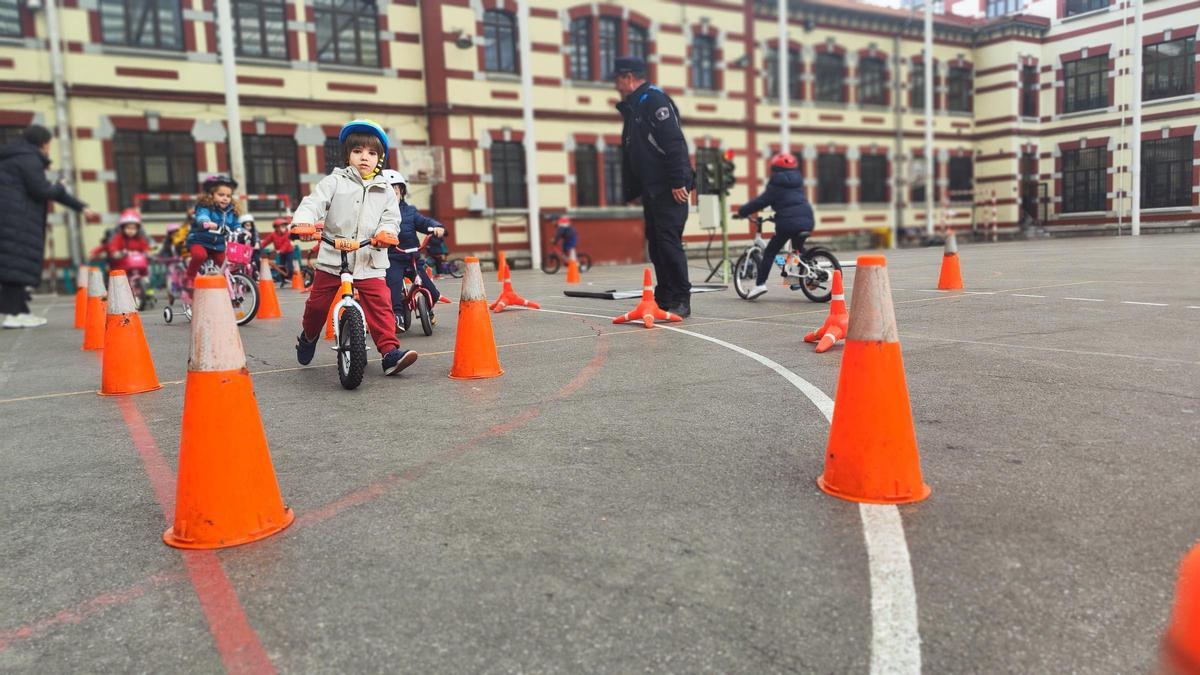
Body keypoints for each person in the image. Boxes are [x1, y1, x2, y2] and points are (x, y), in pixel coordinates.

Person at [291, 119, 416, 377]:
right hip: (333, 258)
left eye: (371, 153)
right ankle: (309, 336)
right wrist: (303, 222)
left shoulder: (386, 191)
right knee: (316, 306)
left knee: (381, 305)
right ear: (347, 155)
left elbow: (392, 219)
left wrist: (387, 233)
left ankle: (390, 353)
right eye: (357, 151)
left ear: (380, 159)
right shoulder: (334, 182)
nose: (364, 158)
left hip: (370, 258)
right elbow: (313, 203)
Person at [612, 56, 694, 318]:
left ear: (628, 78)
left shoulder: (654, 100)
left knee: (669, 243)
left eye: (618, 79)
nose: (616, 85)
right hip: (653, 189)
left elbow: (673, 143)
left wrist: (678, 181)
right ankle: (665, 295)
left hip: (670, 188)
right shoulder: (636, 105)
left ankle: (682, 297)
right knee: (657, 245)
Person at [0, 125, 96, 328]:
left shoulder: (13, 157)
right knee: (15, 268)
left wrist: (79, 206)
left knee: (14, 268)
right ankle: (14, 315)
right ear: (43, 143)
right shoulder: (28, 158)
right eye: (48, 144)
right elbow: (42, 190)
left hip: (10, 220)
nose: (48, 149)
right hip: (18, 221)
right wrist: (60, 185)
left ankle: (20, 312)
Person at [734, 152, 815, 300]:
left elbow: (760, 202)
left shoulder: (777, 184)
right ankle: (809, 275)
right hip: (807, 218)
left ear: (775, 169)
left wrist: (742, 212)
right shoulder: (797, 182)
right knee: (798, 248)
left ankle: (759, 285)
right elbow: (791, 203)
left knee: (770, 251)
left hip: (788, 222)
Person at [381, 169, 445, 332]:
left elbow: (424, 222)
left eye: (396, 189)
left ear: (401, 191)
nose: (393, 192)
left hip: (412, 258)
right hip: (392, 258)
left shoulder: (409, 211)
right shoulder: (379, 214)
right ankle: (397, 316)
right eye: (388, 190)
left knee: (432, 290)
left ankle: (428, 309)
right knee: (393, 288)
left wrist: (436, 227)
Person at [185, 175, 242, 289]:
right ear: (211, 195)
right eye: (221, 195)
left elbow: (236, 224)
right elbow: (202, 216)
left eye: (228, 196)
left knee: (225, 264)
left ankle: (226, 288)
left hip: (218, 245)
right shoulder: (205, 206)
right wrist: (205, 222)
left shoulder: (232, 211)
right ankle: (190, 278)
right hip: (200, 240)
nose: (225, 198)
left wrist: (241, 231)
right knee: (200, 255)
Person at [106, 208, 151, 273]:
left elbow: (146, 247)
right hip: (121, 266)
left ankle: (144, 280)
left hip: (138, 265)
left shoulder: (140, 238)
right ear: (123, 228)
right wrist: (116, 253)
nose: (131, 231)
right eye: (128, 228)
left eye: (133, 228)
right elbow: (113, 247)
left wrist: (148, 252)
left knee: (146, 272)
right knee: (118, 275)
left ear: (137, 229)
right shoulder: (119, 238)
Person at [261, 216, 297, 282]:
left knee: (290, 266)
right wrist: (260, 246)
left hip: (289, 252)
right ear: (276, 228)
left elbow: (286, 244)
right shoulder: (273, 235)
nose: (284, 228)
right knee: (281, 265)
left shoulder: (287, 234)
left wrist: (280, 250)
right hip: (280, 252)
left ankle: (290, 277)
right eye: (281, 226)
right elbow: (266, 241)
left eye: (284, 226)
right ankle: (284, 278)